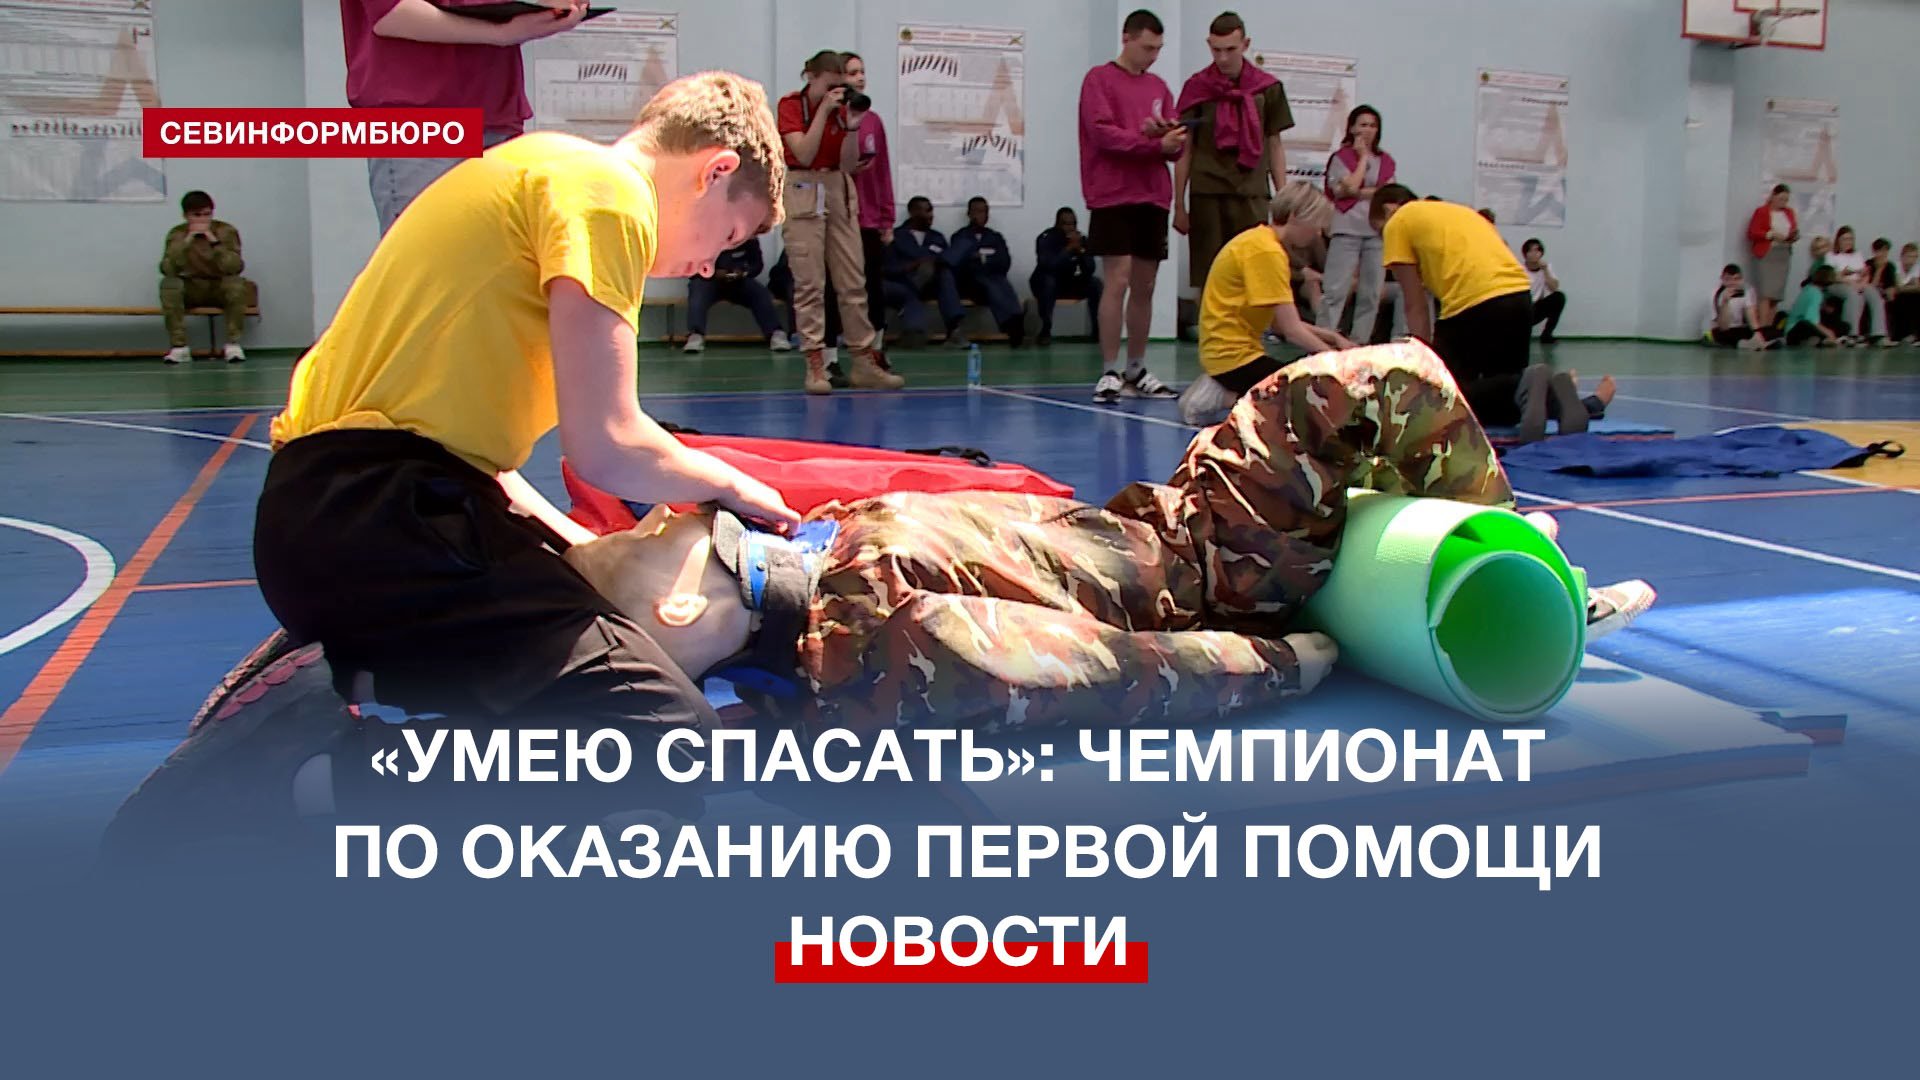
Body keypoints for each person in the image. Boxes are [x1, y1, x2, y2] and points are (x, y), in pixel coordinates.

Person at [560, 342, 1656, 737]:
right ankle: (1537, 560)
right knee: (1388, 380)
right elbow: (1110, 670)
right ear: (679, 605)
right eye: (662, 533)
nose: (668, 515)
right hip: (1203, 566)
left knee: (1367, 420)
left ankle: (1522, 550)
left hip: (1159, 535)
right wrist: (1294, 660)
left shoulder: (816, 614)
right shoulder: (874, 638)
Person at [253, 73, 803, 806]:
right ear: (714, 170)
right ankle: (328, 781)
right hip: (378, 520)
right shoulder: (610, 196)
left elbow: (487, 467)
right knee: (660, 733)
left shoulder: (537, 165)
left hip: (336, 516)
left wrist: (575, 555)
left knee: (597, 650)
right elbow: (607, 445)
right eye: (727, 237)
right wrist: (733, 484)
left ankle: (368, 672)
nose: (708, 266)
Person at [1372, 185, 1608, 443]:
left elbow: (1414, 304)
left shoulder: (1398, 222)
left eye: (1379, 232)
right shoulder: (1459, 212)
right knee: (1510, 399)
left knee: (1443, 398)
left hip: (1472, 304)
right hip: (1519, 297)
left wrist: (1424, 361)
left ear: (1388, 209)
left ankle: (1530, 384)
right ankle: (1551, 391)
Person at [342, 0, 592, 234]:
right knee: (430, 257)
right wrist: (500, 33)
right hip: (419, 117)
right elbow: (391, 14)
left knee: (492, 257)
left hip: (495, 110)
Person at [776, 50, 903, 394]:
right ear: (811, 77)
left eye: (840, 85)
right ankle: (816, 363)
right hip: (803, 185)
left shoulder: (843, 111)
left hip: (838, 187)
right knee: (810, 283)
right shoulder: (791, 105)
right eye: (829, 85)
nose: (835, 92)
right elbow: (803, 152)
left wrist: (851, 126)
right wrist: (822, 113)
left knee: (853, 280)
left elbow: (847, 164)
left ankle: (863, 359)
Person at [1176, 182, 1352, 426]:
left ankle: (1231, 391)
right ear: (1296, 216)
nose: (1318, 234)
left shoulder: (1258, 241)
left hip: (1227, 354)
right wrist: (1338, 362)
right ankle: (1224, 396)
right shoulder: (1267, 253)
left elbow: (1281, 324)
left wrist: (1332, 338)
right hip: (1234, 358)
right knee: (1309, 399)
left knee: (1298, 386)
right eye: (1317, 225)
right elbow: (1292, 331)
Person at [1078, 8, 1185, 403]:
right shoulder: (1099, 79)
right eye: (1147, 48)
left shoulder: (1159, 87)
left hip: (1152, 195)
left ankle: (1136, 368)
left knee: (1145, 284)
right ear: (1127, 38)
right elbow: (1103, 134)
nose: (1152, 56)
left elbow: (1175, 144)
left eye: (1158, 49)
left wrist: (1168, 138)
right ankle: (1109, 370)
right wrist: (1151, 143)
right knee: (1117, 279)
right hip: (1113, 193)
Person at [1172, 11, 1292, 300]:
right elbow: (1185, 147)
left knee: (1254, 271)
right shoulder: (1197, 87)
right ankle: (1209, 328)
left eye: (1230, 49)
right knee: (1210, 274)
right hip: (1207, 192)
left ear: (1245, 44)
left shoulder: (1268, 88)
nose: (1223, 58)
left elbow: (1274, 144)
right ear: (1208, 45)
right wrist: (1179, 204)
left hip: (1251, 192)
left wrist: (1284, 200)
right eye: (1216, 50)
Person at [1320, 105, 1393, 342]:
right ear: (1351, 128)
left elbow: (1386, 193)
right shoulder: (1341, 158)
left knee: (1371, 293)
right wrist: (1362, 159)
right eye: (1363, 125)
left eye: (1373, 125)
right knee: (1335, 290)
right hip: (1346, 229)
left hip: (1376, 231)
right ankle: (1323, 341)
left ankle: (1358, 342)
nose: (1368, 130)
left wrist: (1356, 191)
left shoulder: (1386, 160)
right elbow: (1346, 188)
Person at [840, 52, 896, 348]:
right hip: (839, 216)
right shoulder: (831, 118)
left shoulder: (873, 121)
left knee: (872, 284)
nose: (860, 78)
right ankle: (832, 352)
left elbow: (883, 170)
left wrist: (887, 218)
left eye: (862, 71)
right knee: (839, 286)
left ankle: (876, 349)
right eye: (852, 73)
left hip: (869, 218)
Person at [158, 190, 250, 364]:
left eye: (207, 214)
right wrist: (187, 241)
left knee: (236, 284)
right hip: (191, 287)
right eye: (196, 215)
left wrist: (214, 242)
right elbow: (168, 269)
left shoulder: (225, 231)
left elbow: (234, 267)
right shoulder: (177, 234)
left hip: (218, 286)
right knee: (169, 284)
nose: (202, 220)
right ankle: (179, 347)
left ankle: (233, 345)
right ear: (186, 216)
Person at [885, 196, 969, 348]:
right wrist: (912, 265)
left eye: (932, 210)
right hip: (904, 283)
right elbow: (887, 268)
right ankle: (914, 332)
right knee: (908, 290)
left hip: (929, 284)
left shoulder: (937, 237)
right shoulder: (895, 236)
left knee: (944, 274)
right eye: (927, 210)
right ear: (913, 212)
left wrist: (932, 264)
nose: (931, 215)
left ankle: (955, 329)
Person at [682, 238, 791, 353]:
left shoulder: (747, 235)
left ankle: (775, 333)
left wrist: (744, 271)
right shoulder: (701, 236)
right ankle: (696, 335)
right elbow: (689, 267)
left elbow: (757, 264)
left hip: (738, 281)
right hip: (708, 281)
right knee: (697, 291)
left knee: (760, 293)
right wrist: (712, 273)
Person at [948, 197, 1024, 345]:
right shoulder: (959, 236)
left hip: (993, 280)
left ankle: (1015, 321)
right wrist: (988, 260)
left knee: (1002, 283)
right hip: (969, 284)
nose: (981, 215)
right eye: (977, 211)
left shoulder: (995, 237)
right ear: (969, 214)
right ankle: (1012, 325)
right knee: (990, 283)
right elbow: (962, 263)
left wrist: (981, 258)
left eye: (984, 212)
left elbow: (1004, 262)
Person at [1030, 208, 1104, 346]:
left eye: (1073, 224)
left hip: (1069, 282)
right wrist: (1068, 249)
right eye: (1066, 224)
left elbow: (1090, 269)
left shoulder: (1081, 239)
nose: (1071, 228)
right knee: (1049, 282)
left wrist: (1081, 251)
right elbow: (1049, 265)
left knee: (1095, 283)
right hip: (1045, 282)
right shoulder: (1046, 238)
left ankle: (1098, 331)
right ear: (1057, 224)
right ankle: (1045, 330)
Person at [1825, 226, 1894, 346]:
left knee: (1874, 293)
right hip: (1838, 284)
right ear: (1838, 240)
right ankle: (1851, 334)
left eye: (1850, 239)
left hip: (1858, 283)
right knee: (1853, 294)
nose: (1848, 242)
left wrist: (1862, 283)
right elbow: (1832, 276)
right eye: (1845, 239)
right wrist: (1850, 282)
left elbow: (1865, 273)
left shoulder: (1857, 255)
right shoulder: (1831, 255)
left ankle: (1878, 334)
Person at [1745, 184, 1798, 330]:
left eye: (1786, 200)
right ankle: (1762, 327)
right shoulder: (1762, 212)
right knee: (1766, 293)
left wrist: (1793, 235)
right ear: (1773, 196)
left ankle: (1770, 327)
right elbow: (1752, 232)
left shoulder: (1789, 212)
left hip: (1783, 254)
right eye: (1781, 199)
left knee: (1776, 295)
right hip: (1767, 254)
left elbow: (1793, 229)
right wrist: (1771, 234)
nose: (1783, 202)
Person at [1707, 264, 1782, 350]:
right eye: (1728, 279)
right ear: (1722, 279)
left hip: (1743, 328)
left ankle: (1755, 342)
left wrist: (1757, 332)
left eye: (1736, 279)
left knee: (1771, 331)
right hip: (1724, 330)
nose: (1732, 283)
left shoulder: (1747, 290)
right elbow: (1723, 326)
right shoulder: (1716, 294)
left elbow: (1751, 316)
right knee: (1726, 336)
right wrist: (1725, 302)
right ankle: (1753, 344)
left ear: (1742, 279)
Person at [1784, 264, 1844, 347]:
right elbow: (1811, 320)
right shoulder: (1816, 294)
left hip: (1791, 330)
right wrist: (1829, 333)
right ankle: (1818, 340)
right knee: (1808, 325)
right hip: (1795, 332)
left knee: (1842, 325)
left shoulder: (1808, 288)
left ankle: (1819, 339)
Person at [1521, 238, 1566, 344]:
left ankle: (1546, 335)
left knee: (1559, 297)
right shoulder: (1519, 269)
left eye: (1537, 250)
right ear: (1525, 254)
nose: (1534, 254)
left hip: (1536, 308)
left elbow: (1554, 288)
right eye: (1530, 251)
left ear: (1541, 253)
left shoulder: (1546, 267)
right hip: (1522, 310)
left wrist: (1545, 270)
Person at [1892, 242, 1920, 344]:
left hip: (1910, 295)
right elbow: (1898, 287)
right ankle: (1900, 335)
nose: (1912, 260)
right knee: (1904, 298)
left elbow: (1917, 287)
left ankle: (1915, 336)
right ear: (1903, 256)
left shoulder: (1916, 267)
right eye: (1910, 256)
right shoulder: (1896, 266)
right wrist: (1910, 285)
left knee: (1916, 298)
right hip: (1897, 296)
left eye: (1915, 257)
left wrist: (1906, 286)